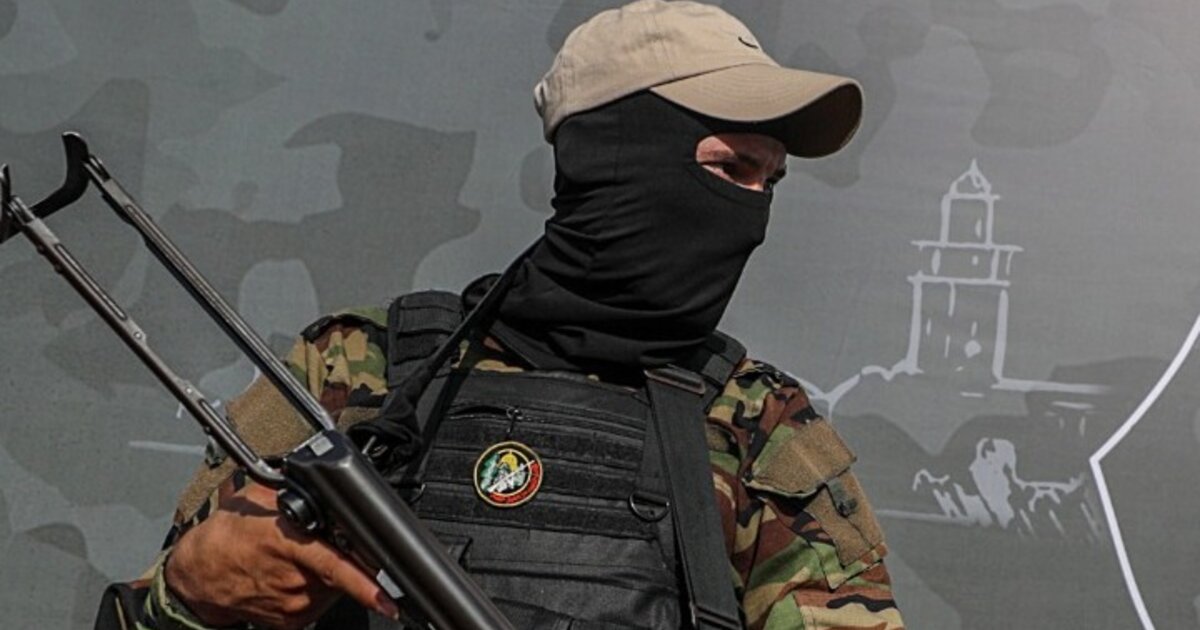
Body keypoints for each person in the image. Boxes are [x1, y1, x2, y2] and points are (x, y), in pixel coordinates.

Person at [97, 1, 904, 629]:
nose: (751, 211)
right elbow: (169, 600)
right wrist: (186, 598)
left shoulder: (759, 426)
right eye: (731, 168)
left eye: (769, 182)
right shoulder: (355, 371)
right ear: (615, 154)